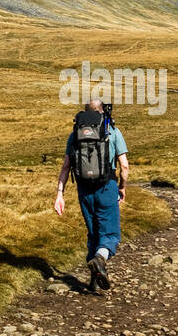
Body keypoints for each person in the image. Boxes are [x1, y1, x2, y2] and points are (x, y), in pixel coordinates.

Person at [53, 97, 129, 293]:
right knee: (110, 234)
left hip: (83, 189)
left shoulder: (75, 134)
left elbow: (65, 167)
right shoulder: (112, 131)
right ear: (103, 111)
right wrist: (122, 187)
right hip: (106, 186)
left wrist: (60, 194)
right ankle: (100, 259)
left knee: (94, 233)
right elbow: (125, 165)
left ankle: (94, 279)